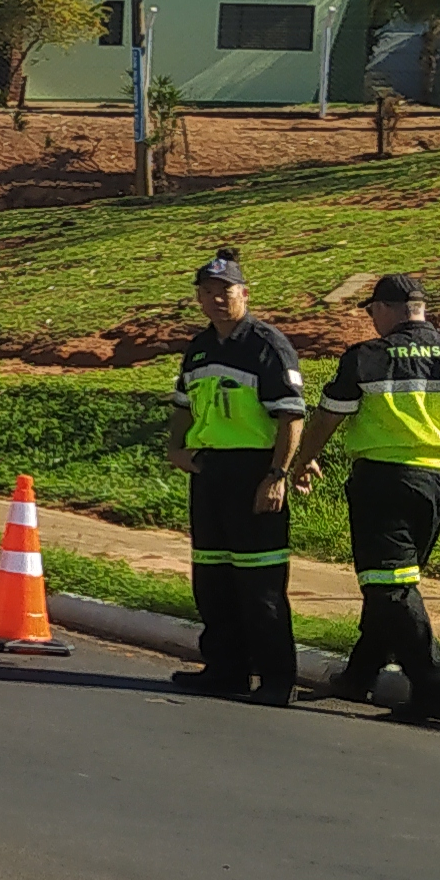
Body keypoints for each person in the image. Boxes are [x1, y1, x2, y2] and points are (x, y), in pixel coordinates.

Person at [293, 274, 440, 723]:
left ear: (386, 309)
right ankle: (359, 675)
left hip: (386, 483)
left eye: (371, 311)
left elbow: (328, 417)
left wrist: (303, 460)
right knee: (392, 581)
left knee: (390, 587)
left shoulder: (367, 357)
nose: (371, 319)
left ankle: (437, 689)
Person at [162, 248, 307, 705]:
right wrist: (176, 450)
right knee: (213, 579)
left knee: (260, 585)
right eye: (207, 292)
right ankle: (225, 670)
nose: (216, 299)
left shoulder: (266, 345)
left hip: (254, 473)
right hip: (210, 474)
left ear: (244, 293)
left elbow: (291, 416)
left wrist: (278, 474)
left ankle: (277, 680)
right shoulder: (200, 347)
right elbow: (184, 406)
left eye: (225, 291)